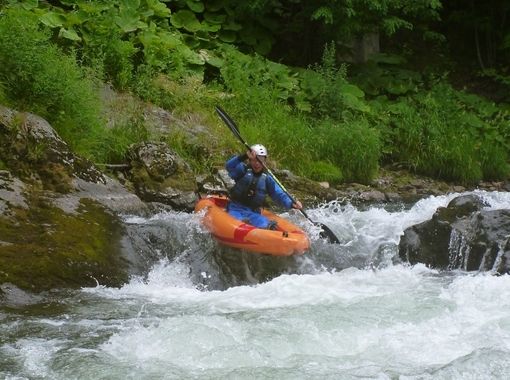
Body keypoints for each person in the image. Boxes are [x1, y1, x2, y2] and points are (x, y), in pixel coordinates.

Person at [225, 144, 302, 229]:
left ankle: (265, 231)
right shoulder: (242, 170)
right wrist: (244, 156)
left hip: (254, 212)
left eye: (260, 160)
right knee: (237, 220)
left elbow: (278, 193)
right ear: (250, 160)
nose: (257, 163)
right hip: (236, 208)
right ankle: (243, 224)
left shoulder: (267, 179)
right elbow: (229, 166)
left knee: (263, 223)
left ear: (265, 161)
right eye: (254, 160)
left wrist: (291, 203)